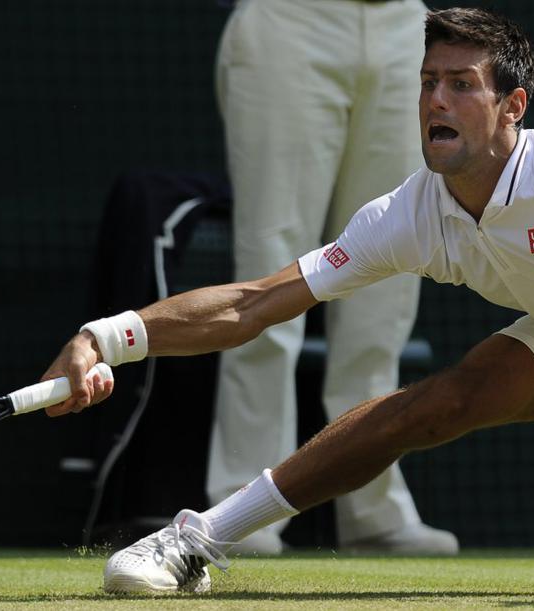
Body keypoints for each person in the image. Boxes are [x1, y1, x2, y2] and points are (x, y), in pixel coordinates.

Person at [44, 8, 534, 595]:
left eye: (460, 84)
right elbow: (253, 303)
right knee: (434, 404)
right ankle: (194, 541)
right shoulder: (406, 215)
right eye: (427, 83)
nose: (435, 100)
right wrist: (104, 336)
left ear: (512, 106)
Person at [210, 0, 456, 556]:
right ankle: (239, 507)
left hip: (404, 29)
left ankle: (374, 505)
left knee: (387, 284)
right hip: (291, 21)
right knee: (268, 276)